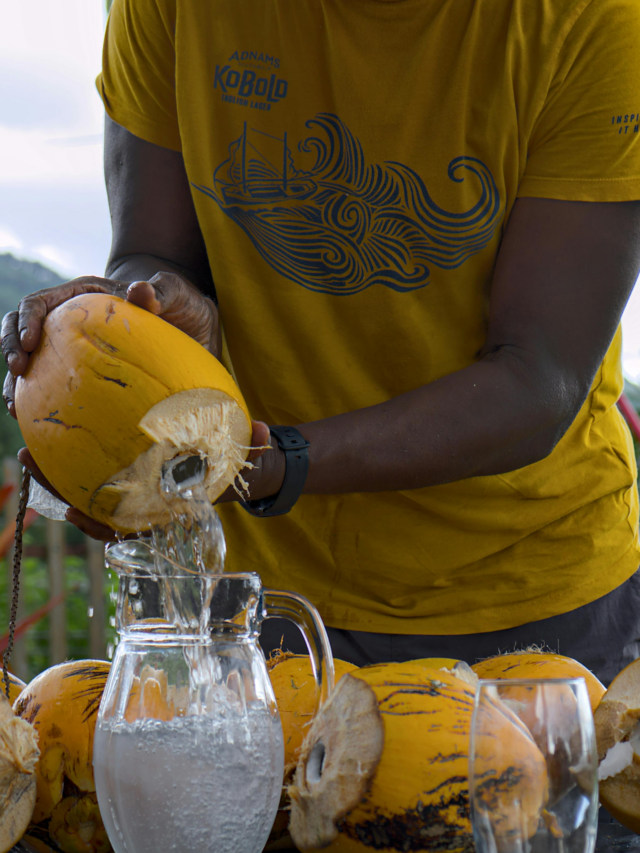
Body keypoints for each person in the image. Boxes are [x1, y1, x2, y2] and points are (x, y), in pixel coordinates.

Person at [3, 0, 640, 684]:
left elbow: (539, 380)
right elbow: (151, 251)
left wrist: (271, 462)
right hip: (256, 599)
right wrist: (145, 318)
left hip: (525, 599)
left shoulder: (595, 21)